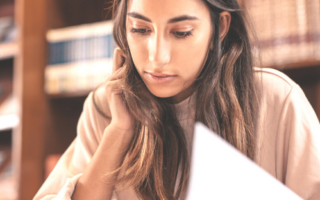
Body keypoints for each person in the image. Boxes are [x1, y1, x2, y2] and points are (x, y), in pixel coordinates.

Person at [34, 0, 320, 199]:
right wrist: (119, 133)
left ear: (219, 28)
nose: (157, 58)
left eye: (181, 32)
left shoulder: (277, 101)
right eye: (140, 30)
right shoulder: (106, 108)